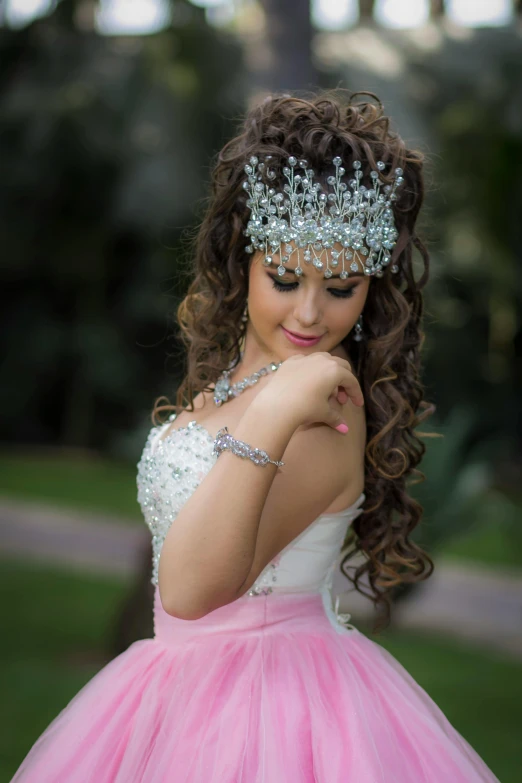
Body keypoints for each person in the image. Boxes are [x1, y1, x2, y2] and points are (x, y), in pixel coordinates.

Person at [11, 89, 500, 782]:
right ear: (243, 259)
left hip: (275, 712)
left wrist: (276, 410)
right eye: (285, 277)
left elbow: (188, 589)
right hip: (172, 691)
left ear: (370, 290)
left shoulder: (325, 409)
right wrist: (267, 400)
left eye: (341, 287)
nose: (309, 312)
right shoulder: (231, 382)